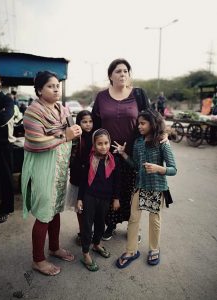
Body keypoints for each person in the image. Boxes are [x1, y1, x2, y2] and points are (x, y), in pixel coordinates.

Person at [21, 71, 82, 276]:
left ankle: (54, 247)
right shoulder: (33, 111)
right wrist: (64, 135)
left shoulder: (61, 109)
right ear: (39, 90)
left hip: (59, 165)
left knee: (55, 208)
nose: (56, 89)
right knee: (44, 212)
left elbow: (69, 131)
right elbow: (37, 142)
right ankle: (38, 259)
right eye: (50, 86)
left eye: (58, 85)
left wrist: (73, 133)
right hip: (43, 166)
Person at [92, 58, 150, 241]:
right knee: (108, 191)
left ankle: (134, 227)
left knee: (132, 191)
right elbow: (95, 124)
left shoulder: (138, 94)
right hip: (106, 152)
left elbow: (150, 120)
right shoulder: (101, 97)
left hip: (133, 152)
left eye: (126, 71)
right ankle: (110, 225)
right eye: (118, 71)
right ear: (110, 75)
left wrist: (160, 136)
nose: (122, 74)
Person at [114, 109, 177, 268]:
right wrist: (123, 154)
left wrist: (158, 168)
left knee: (154, 220)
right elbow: (135, 165)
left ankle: (154, 249)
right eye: (138, 123)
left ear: (152, 123)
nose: (139, 126)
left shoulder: (162, 143)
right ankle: (131, 250)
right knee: (134, 218)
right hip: (140, 186)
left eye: (143, 123)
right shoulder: (138, 142)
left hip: (157, 187)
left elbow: (173, 169)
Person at [77, 129, 120, 271]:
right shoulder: (89, 160)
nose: (104, 146)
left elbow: (115, 182)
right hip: (90, 197)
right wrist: (80, 199)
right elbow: (83, 181)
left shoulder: (113, 160)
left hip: (105, 198)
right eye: (99, 144)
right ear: (94, 145)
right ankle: (85, 253)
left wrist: (116, 198)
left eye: (106, 143)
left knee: (101, 224)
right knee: (87, 225)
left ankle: (96, 244)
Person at [65, 110, 93, 245]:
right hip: (78, 178)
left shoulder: (95, 137)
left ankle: (89, 232)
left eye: (90, 122)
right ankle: (83, 233)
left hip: (91, 179)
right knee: (80, 208)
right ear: (78, 123)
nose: (88, 125)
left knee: (90, 208)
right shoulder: (76, 138)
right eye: (84, 122)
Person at [0, 70, 15, 223]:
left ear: (1, 82)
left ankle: (6, 209)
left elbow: (3, 118)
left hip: (3, 146)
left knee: (6, 178)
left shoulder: (7, 100)